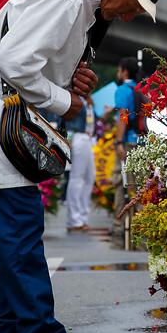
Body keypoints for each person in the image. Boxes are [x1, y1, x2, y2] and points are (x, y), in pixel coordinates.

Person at [0, 0, 167, 333]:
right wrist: (64, 98)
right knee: (18, 220)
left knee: (2, 225)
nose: (128, 18)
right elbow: (13, 60)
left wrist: (68, 77)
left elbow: (24, 54)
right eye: (134, 7)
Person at [111, 56, 141, 248]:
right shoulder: (140, 89)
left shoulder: (122, 90)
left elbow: (123, 116)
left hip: (127, 143)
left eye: (119, 70)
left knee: (121, 181)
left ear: (124, 72)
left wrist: (118, 141)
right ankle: (141, 226)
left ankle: (118, 224)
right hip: (141, 142)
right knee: (139, 186)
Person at [65, 95, 96, 232]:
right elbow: (65, 120)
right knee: (76, 178)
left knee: (90, 178)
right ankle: (74, 219)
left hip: (88, 138)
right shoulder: (73, 98)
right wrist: (69, 138)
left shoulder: (87, 100)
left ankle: (82, 217)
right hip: (78, 137)